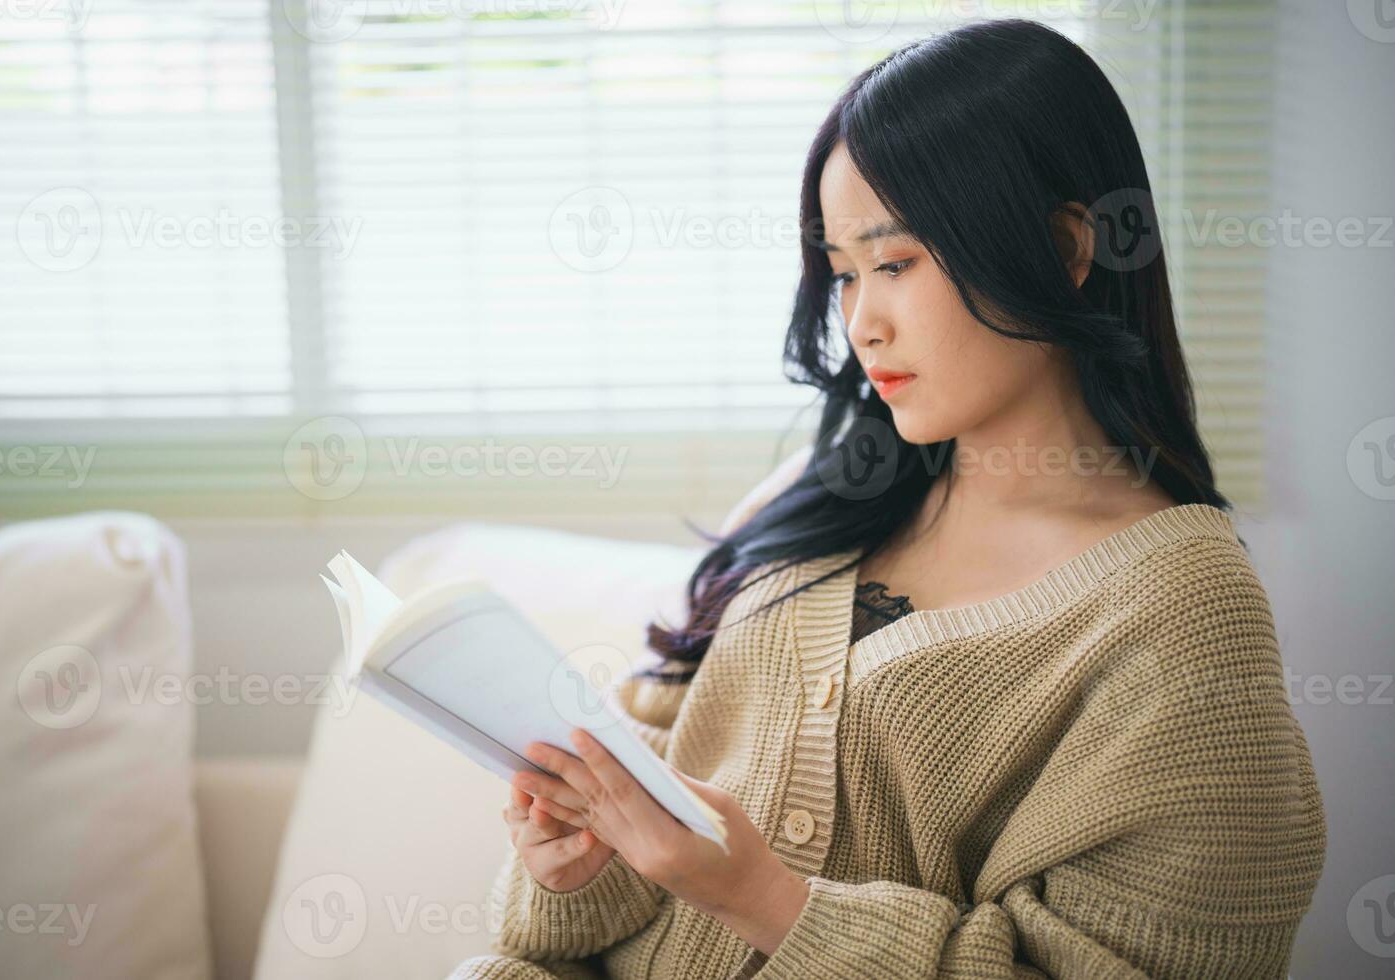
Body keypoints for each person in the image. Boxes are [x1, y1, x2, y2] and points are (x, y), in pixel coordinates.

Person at [450, 18, 1325, 979]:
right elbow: (639, 773)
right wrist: (572, 869)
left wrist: (765, 901)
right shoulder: (813, 496)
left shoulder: (1181, 609)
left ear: (1068, 247)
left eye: (897, 263)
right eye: (842, 274)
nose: (863, 324)